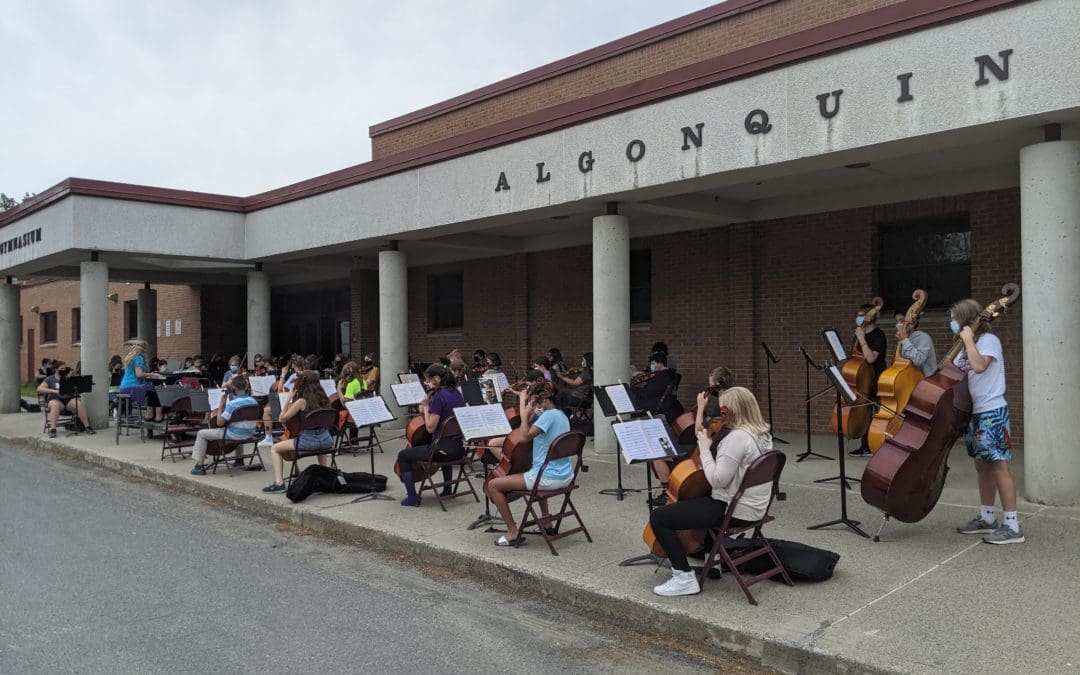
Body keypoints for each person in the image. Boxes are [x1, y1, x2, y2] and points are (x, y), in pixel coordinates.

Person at [648, 386, 774, 597]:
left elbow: (717, 480)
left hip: (734, 511)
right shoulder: (763, 434)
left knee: (660, 517)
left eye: (722, 407)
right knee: (699, 498)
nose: (717, 411)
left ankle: (683, 577)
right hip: (755, 507)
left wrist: (705, 448)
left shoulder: (737, 438)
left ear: (732, 410)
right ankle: (713, 561)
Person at [950, 299, 1023, 544]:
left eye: (954, 318)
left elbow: (980, 366)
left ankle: (1012, 525)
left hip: (992, 412)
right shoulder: (963, 347)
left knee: (998, 466)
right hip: (974, 413)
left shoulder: (987, 341)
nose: (952, 323)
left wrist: (969, 340)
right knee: (981, 466)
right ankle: (987, 517)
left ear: (966, 320)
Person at [486, 381, 572, 547]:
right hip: (565, 475)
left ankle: (512, 532)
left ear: (543, 399)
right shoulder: (561, 415)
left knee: (493, 485)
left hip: (547, 477)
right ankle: (547, 523)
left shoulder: (548, 416)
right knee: (534, 469)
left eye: (535, 400)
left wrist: (525, 413)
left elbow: (524, 437)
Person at [648, 366, 733, 506]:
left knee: (658, 455)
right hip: (718, 447)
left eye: (710, 385)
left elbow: (698, 432)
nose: (709, 389)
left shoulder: (720, 407)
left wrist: (701, 407)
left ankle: (667, 492)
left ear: (717, 385)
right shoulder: (733, 401)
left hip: (709, 451)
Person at [395, 364, 466, 506]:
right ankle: (447, 489)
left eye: (429, 380)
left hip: (442, 451)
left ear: (437, 379)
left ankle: (412, 497)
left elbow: (430, 428)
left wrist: (426, 406)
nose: (427, 383)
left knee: (403, 455)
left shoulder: (439, 397)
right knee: (440, 444)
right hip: (458, 449)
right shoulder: (457, 393)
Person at [263, 370, 334, 493]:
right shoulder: (324, 399)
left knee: (275, 448)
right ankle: (325, 478)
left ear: (302, 383)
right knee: (320, 446)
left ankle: (279, 483)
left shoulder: (301, 401)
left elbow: (281, 418)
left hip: (309, 442)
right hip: (327, 440)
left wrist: (289, 398)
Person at [189, 375, 260, 476]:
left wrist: (221, 404)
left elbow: (219, 423)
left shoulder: (232, 404)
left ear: (233, 389)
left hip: (234, 435)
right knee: (239, 427)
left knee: (201, 433)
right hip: (249, 434)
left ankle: (199, 466)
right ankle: (239, 460)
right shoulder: (254, 401)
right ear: (246, 387)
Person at [849, 303, 887, 457]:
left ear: (870, 317)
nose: (858, 318)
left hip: (874, 376)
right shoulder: (859, 333)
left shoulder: (879, 335)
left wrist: (861, 338)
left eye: (861, 315)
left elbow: (870, 358)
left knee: (873, 412)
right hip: (861, 378)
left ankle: (872, 445)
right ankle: (864, 445)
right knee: (864, 412)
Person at [37, 364, 93, 437]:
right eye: (62, 368)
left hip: (68, 399)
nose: (64, 370)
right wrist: (54, 391)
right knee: (55, 405)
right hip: (55, 399)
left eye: (65, 369)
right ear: (56, 369)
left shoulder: (68, 378)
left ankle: (87, 427)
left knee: (78, 404)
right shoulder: (50, 379)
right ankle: (53, 429)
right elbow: (39, 389)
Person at [119, 340, 163, 422]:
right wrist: (152, 374)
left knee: (151, 390)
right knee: (156, 390)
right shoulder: (138, 358)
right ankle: (157, 416)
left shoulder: (130, 357)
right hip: (133, 387)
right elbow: (139, 374)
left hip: (124, 387)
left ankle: (150, 414)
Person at [632, 352, 680, 422]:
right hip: (658, 400)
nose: (652, 366)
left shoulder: (662, 376)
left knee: (631, 404)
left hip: (654, 402)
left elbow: (647, 393)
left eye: (653, 364)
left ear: (660, 364)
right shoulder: (668, 374)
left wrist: (632, 390)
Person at [894, 311, 938, 377]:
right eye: (897, 321)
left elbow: (918, 360)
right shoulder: (903, 338)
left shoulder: (923, 337)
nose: (899, 324)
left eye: (902, 321)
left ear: (913, 322)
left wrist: (904, 340)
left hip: (924, 380)